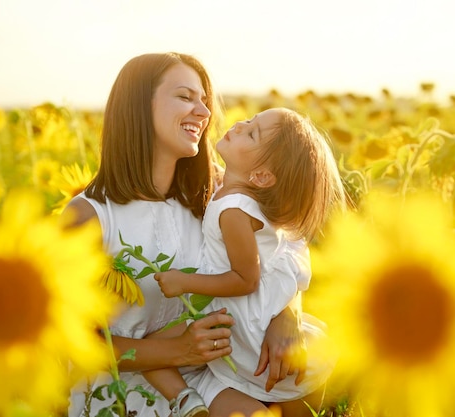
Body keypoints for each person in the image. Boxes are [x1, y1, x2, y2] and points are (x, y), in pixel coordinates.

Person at [63, 52, 311, 417]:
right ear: (137, 106)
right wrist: (179, 350)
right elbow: (73, 345)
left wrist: (284, 314)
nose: (204, 112)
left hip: (208, 375)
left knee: (302, 397)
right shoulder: (88, 217)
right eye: (185, 97)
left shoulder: (216, 190)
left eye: (204, 101)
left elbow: (283, 247)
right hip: (118, 393)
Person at [152, 107, 346, 416]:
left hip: (243, 321)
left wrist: (184, 281)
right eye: (250, 121)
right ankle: (192, 400)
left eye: (252, 133)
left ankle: (188, 401)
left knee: (152, 347)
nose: (240, 124)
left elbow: (246, 279)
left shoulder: (233, 209)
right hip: (250, 311)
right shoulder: (240, 198)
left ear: (261, 176)